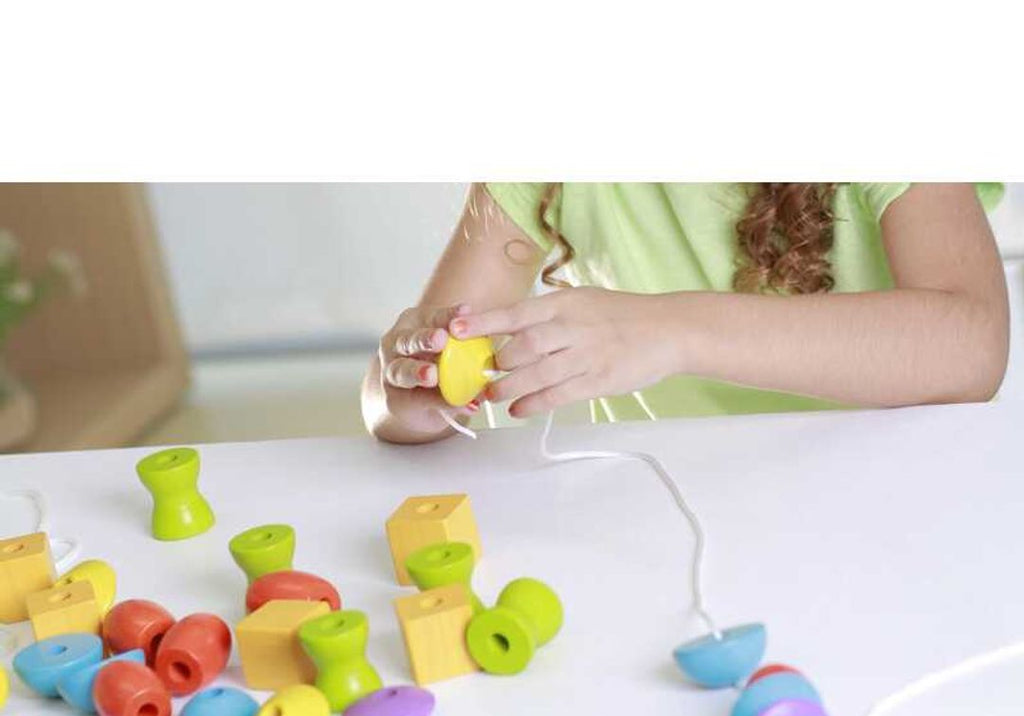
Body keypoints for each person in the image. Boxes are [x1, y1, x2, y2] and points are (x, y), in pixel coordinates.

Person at [361, 183, 1008, 444]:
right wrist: (408, 390)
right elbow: (395, 406)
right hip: (677, 526)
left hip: (889, 508)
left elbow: (973, 344)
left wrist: (671, 329)